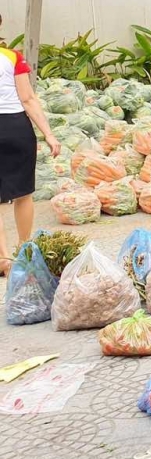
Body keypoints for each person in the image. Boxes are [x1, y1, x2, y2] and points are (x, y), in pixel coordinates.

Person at [0, 22, 59, 275]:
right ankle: (23, 251)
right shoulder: (13, 57)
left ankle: (2, 259)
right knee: (23, 194)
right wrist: (49, 134)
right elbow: (28, 99)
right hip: (15, 127)